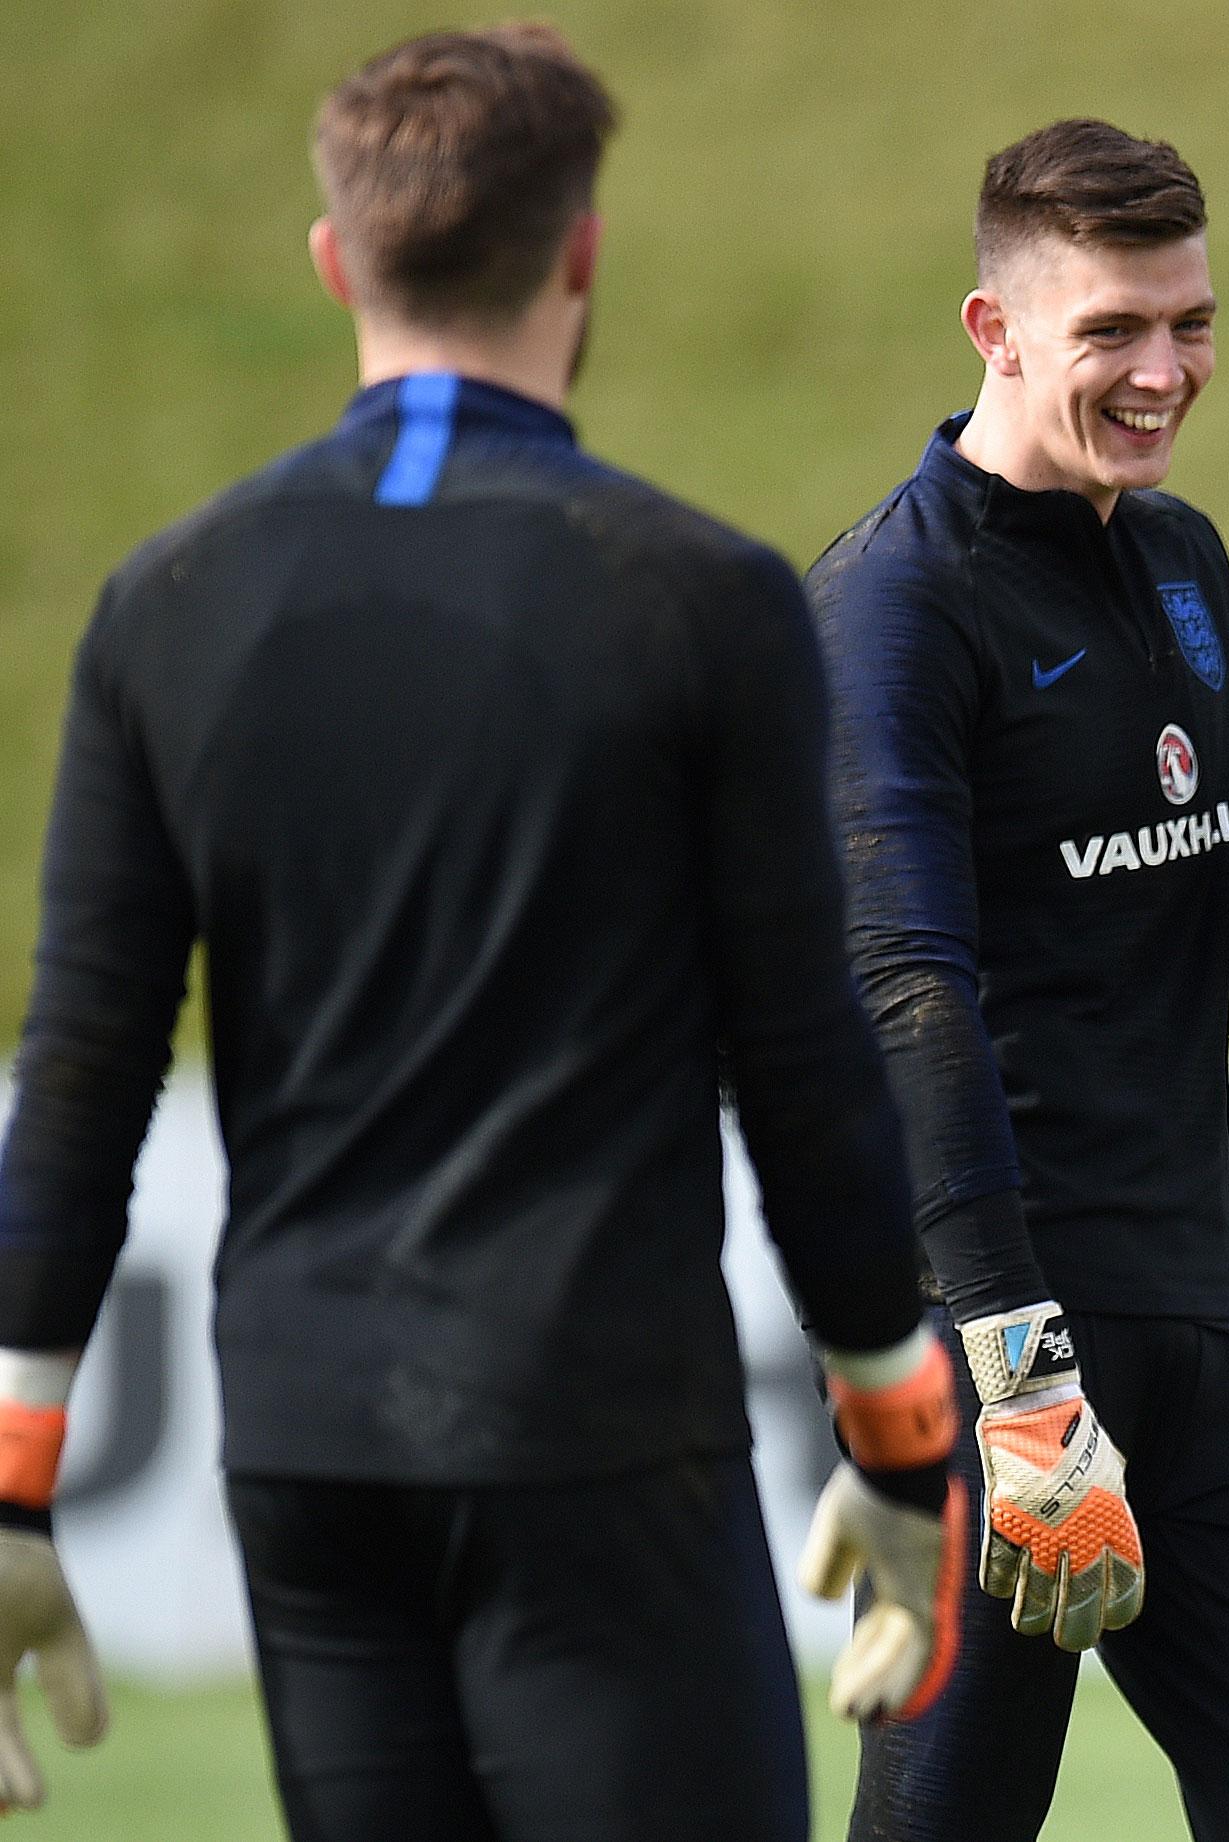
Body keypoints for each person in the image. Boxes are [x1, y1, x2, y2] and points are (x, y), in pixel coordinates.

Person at [0, 26, 961, 1838]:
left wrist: (10, 1486)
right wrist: (898, 1425)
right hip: (593, 1431)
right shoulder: (700, 598)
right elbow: (804, 1055)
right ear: (581, 250)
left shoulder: (167, 606)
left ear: (331, 256)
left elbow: (83, 1074)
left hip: (305, 1450)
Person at [807, 117, 1229, 1842]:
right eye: (1114, 333)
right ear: (992, 329)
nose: (1165, 373)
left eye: (1192, 323)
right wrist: (1012, 1369)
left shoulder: (1179, 561)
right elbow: (904, 991)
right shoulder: (894, 609)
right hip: (995, 1347)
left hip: (1195, 1327)